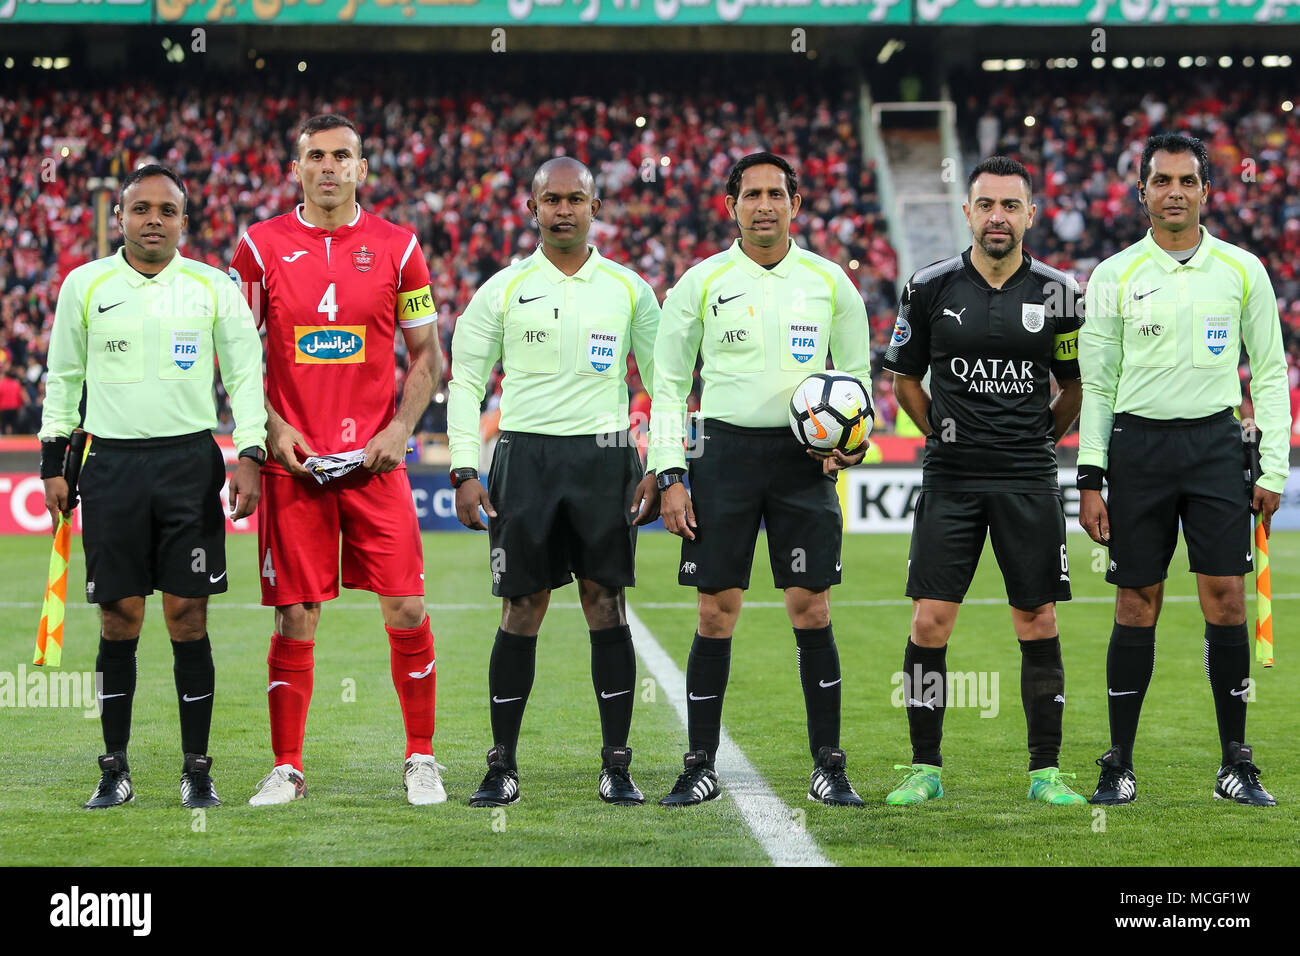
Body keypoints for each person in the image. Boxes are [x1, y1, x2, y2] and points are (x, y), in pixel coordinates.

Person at [230, 114, 444, 806]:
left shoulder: (399, 247)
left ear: (361, 168)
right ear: (297, 168)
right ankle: (287, 766)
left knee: (407, 603)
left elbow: (426, 359)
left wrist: (400, 430)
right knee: (296, 615)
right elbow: (238, 360)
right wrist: (272, 429)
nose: (329, 166)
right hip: (294, 465)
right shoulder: (259, 250)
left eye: (342, 156)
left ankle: (421, 757)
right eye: (316, 156)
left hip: (375, 461)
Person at [39, 164, 266, 809]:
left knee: (188, 615)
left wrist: (248, 453)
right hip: (109, 466)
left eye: (168, 210)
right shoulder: (84, 286)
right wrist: (54, 462)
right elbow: (63, 378)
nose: (154, 220)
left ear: (184, 222)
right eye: (141, 209)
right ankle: (114, 769)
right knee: (120, 617)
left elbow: (245, 379)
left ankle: (198, 769)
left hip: (189, 465)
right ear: (119, 217)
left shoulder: (212, 288)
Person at [651, 151, 871, 807]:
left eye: (778, 193)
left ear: (796, 205)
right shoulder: (701, 281)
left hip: (803, 463)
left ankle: (829, 765)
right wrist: (670, 472)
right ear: (732, 206)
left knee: (812, 607)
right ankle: (699, 764)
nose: (765, 205)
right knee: (716, 613)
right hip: (721, 458)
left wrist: (850, 446)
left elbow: (857, 382)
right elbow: (667, 386)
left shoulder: (831, 282)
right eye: (753, 194)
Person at [1078, 133, 1289, 807]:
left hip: (1216, 448)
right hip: (1138, 452)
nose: (1174, 191)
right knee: (1136, 601)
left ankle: (1235, 762)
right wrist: (1089, 476)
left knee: (1225, 599)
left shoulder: (1244, 270)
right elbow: (1099, 382)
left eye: (1187, 180)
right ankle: (1119, 762)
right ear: (1141, 190)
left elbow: (1274, 373)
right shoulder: (1112, 276)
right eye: (1161, 180)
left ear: (1206, 190)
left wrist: (1275, 468)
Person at [449, 157, 662, 807]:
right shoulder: (503, 289)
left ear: (596, 208)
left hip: (604, 460)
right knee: (522, 607)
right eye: (551, 199)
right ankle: (501, 765)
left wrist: (663, 465)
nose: (563, 210)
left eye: (576, 199)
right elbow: (465, 381)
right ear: (532, 209)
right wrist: (464, 467)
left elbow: (666, 385)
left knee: (605, 603)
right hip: (525, 461)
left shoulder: (629, 289)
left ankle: (617, 765)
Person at [881, 155, 1087, 806]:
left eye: (1010, 205)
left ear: (1031, 213)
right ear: (967, 212)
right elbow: (905, 378)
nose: (997, 217)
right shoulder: (929, 286)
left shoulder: (1059, 293)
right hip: (952, 476)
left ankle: (1045, 772)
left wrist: (1040, 441)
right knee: (931, 621)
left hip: (1027, 476)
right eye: (986, 205)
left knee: (1037, 617)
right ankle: (924, 768)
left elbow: (1075, 384)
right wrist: (937, 430)